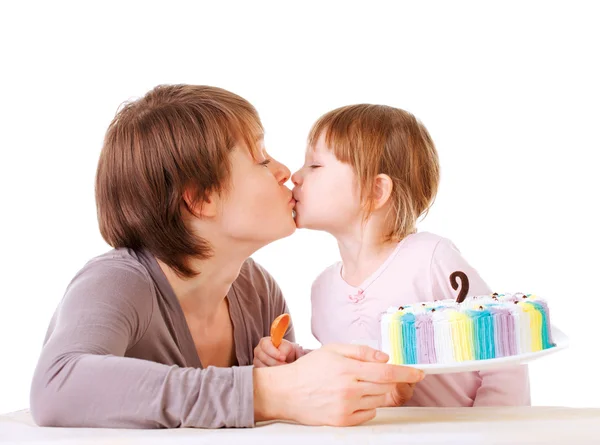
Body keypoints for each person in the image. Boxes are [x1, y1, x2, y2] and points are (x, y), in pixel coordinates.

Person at [29, 86, 424, 429]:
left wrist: (355, 389)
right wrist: (264, 391)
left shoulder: (260, 293)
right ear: (201, 198)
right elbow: (58, 385)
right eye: (261, 159)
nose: (285, 171)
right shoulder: (117, 281)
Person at [253, 104, 530, 406]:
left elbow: (505, 350)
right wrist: (298, 361)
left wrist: (495, 427)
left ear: (376, 191)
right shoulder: (323, 288)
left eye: (315, 166)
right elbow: (347, 372)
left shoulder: (429, 258)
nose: (296, 176)